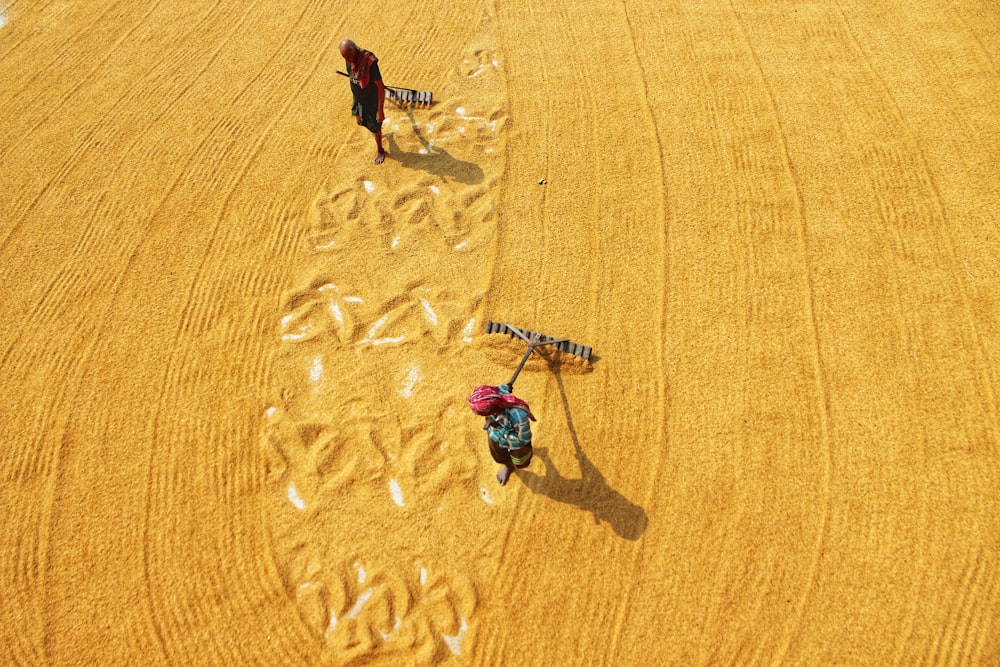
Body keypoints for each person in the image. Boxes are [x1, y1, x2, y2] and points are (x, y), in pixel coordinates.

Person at [468, 384, 535, 486]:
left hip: (516, 445)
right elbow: (501, 388)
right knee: (499, 457)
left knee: (521, 462)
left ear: (494, 408)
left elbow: (523, 439)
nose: (481, 415)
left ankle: (515, 464)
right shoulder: (494, 396)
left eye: (483, 413)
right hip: (494, 435)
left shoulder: (518, 416)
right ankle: (508, 466)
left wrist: (500, 430)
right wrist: (506, 387)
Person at [339, 39, 386, 164]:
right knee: (360, 121)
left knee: (375, 127)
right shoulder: (349, 60)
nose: (348, 59)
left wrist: (380, 111)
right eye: (345, 57)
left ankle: (380, 149)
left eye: (349, 56)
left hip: (370, 100)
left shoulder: (369, 63)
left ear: (354, 51)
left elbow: (381, 87)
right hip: (358, 97)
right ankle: (374, 131)